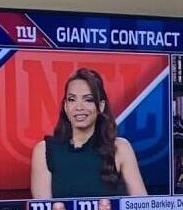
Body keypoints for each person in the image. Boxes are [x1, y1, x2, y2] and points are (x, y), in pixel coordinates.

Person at [30, 68, 149, 200]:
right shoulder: (44, 151)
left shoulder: (120, 148)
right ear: (65, 106)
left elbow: (142, 207)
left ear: (101, 106)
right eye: (72, 99)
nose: (79, 107)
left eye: (88, 100)